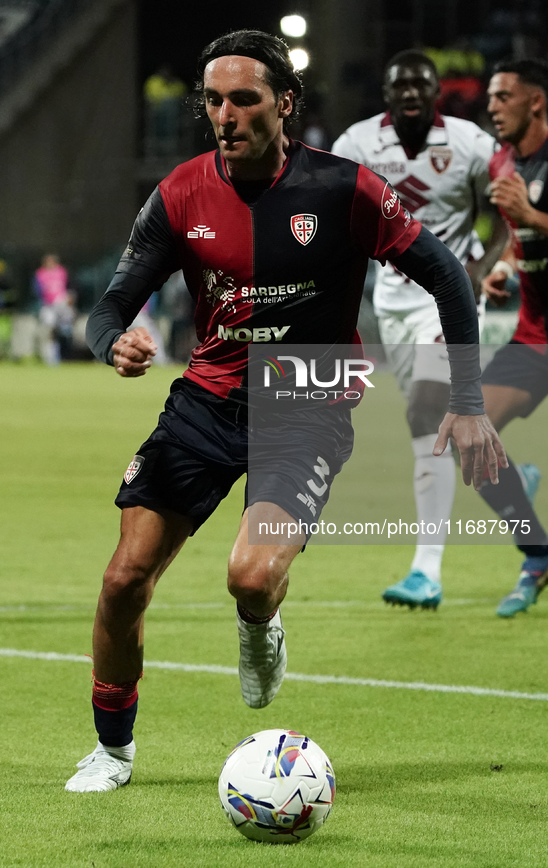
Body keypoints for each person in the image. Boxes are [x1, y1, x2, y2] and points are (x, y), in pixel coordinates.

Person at [65, 29, 506, 793]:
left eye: (244, 99)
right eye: (212, 100)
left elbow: (446, 277)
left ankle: (259, 624)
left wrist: (465, 401)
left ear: (284, 104)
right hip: (205, 402)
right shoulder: (179, 194)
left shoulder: (345, 190)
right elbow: (109, 305)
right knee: (122, 580)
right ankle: (112, 749)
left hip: (305, 397)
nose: (224, 115)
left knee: (249, 575)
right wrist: (114, 342)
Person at [332, 50, 503, 610]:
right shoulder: (357, 145)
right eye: (400, 85)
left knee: (426, 412)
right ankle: (505, 479)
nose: (410, 93)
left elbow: (502, 211)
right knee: (437, 426)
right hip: (394, 302)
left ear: (437, 92)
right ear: (386, 92)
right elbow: (336, 217)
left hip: (449, 302)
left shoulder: (471, 143)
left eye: (420, 85)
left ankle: (426, 569)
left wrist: (478, 269)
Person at [478, 58, 548, 617]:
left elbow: (530, 218)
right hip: (534, 335)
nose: (493, 106)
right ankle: (537, 553)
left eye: (504, 96)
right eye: (491, 97)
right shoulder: (503, 160)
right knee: (469, 436)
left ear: (536, 102)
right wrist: (503, 268)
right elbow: (513, 237)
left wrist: (535, 215)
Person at [33, 254, 74, 365]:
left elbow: (70, 288)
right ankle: (51, 357)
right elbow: (37, 290)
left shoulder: (62, 272)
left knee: (65, 331)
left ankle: (66, 355)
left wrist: (70, 298)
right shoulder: (40, 273)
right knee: (49, 331)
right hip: (48, 306)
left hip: (62, 304)